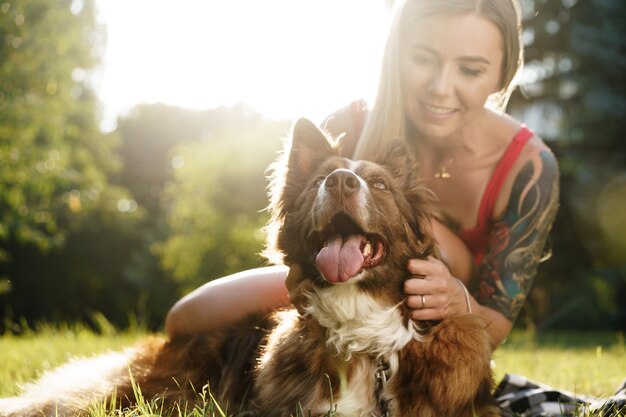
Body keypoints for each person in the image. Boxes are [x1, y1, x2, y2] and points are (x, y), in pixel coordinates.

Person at [164, 0, 560, 352]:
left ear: (502, 74)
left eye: (470, 70)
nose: (441, 88)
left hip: (442, 320)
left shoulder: (530, 169)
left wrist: (460, 301)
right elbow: (299, 234)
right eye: (423, 59)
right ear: (396, 56)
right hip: (346, 288)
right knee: (186, 318)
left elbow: (496, 326)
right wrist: (303, 279)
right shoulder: (350, 124)